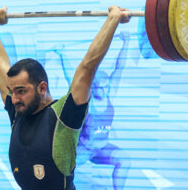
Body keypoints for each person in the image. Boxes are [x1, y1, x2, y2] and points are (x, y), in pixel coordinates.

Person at [0, 6, 131, 190]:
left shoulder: (65, 114)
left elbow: (88, 65)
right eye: (11, 91)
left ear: (42, 87)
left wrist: (113, 19)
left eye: (21, 91)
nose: (13, 99)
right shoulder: (18, 110)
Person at [52, 31, 131, 189]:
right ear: (93, 88)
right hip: (85, 150)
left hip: (102, 148)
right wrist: (62, 55)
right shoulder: (89, 101)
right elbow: (73, 80)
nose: (104, 90)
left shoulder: (110, 93)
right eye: (99, 88)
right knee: (62, 168)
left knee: (125, 160)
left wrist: (126, 43)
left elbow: (119, 68)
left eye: (106, 87)